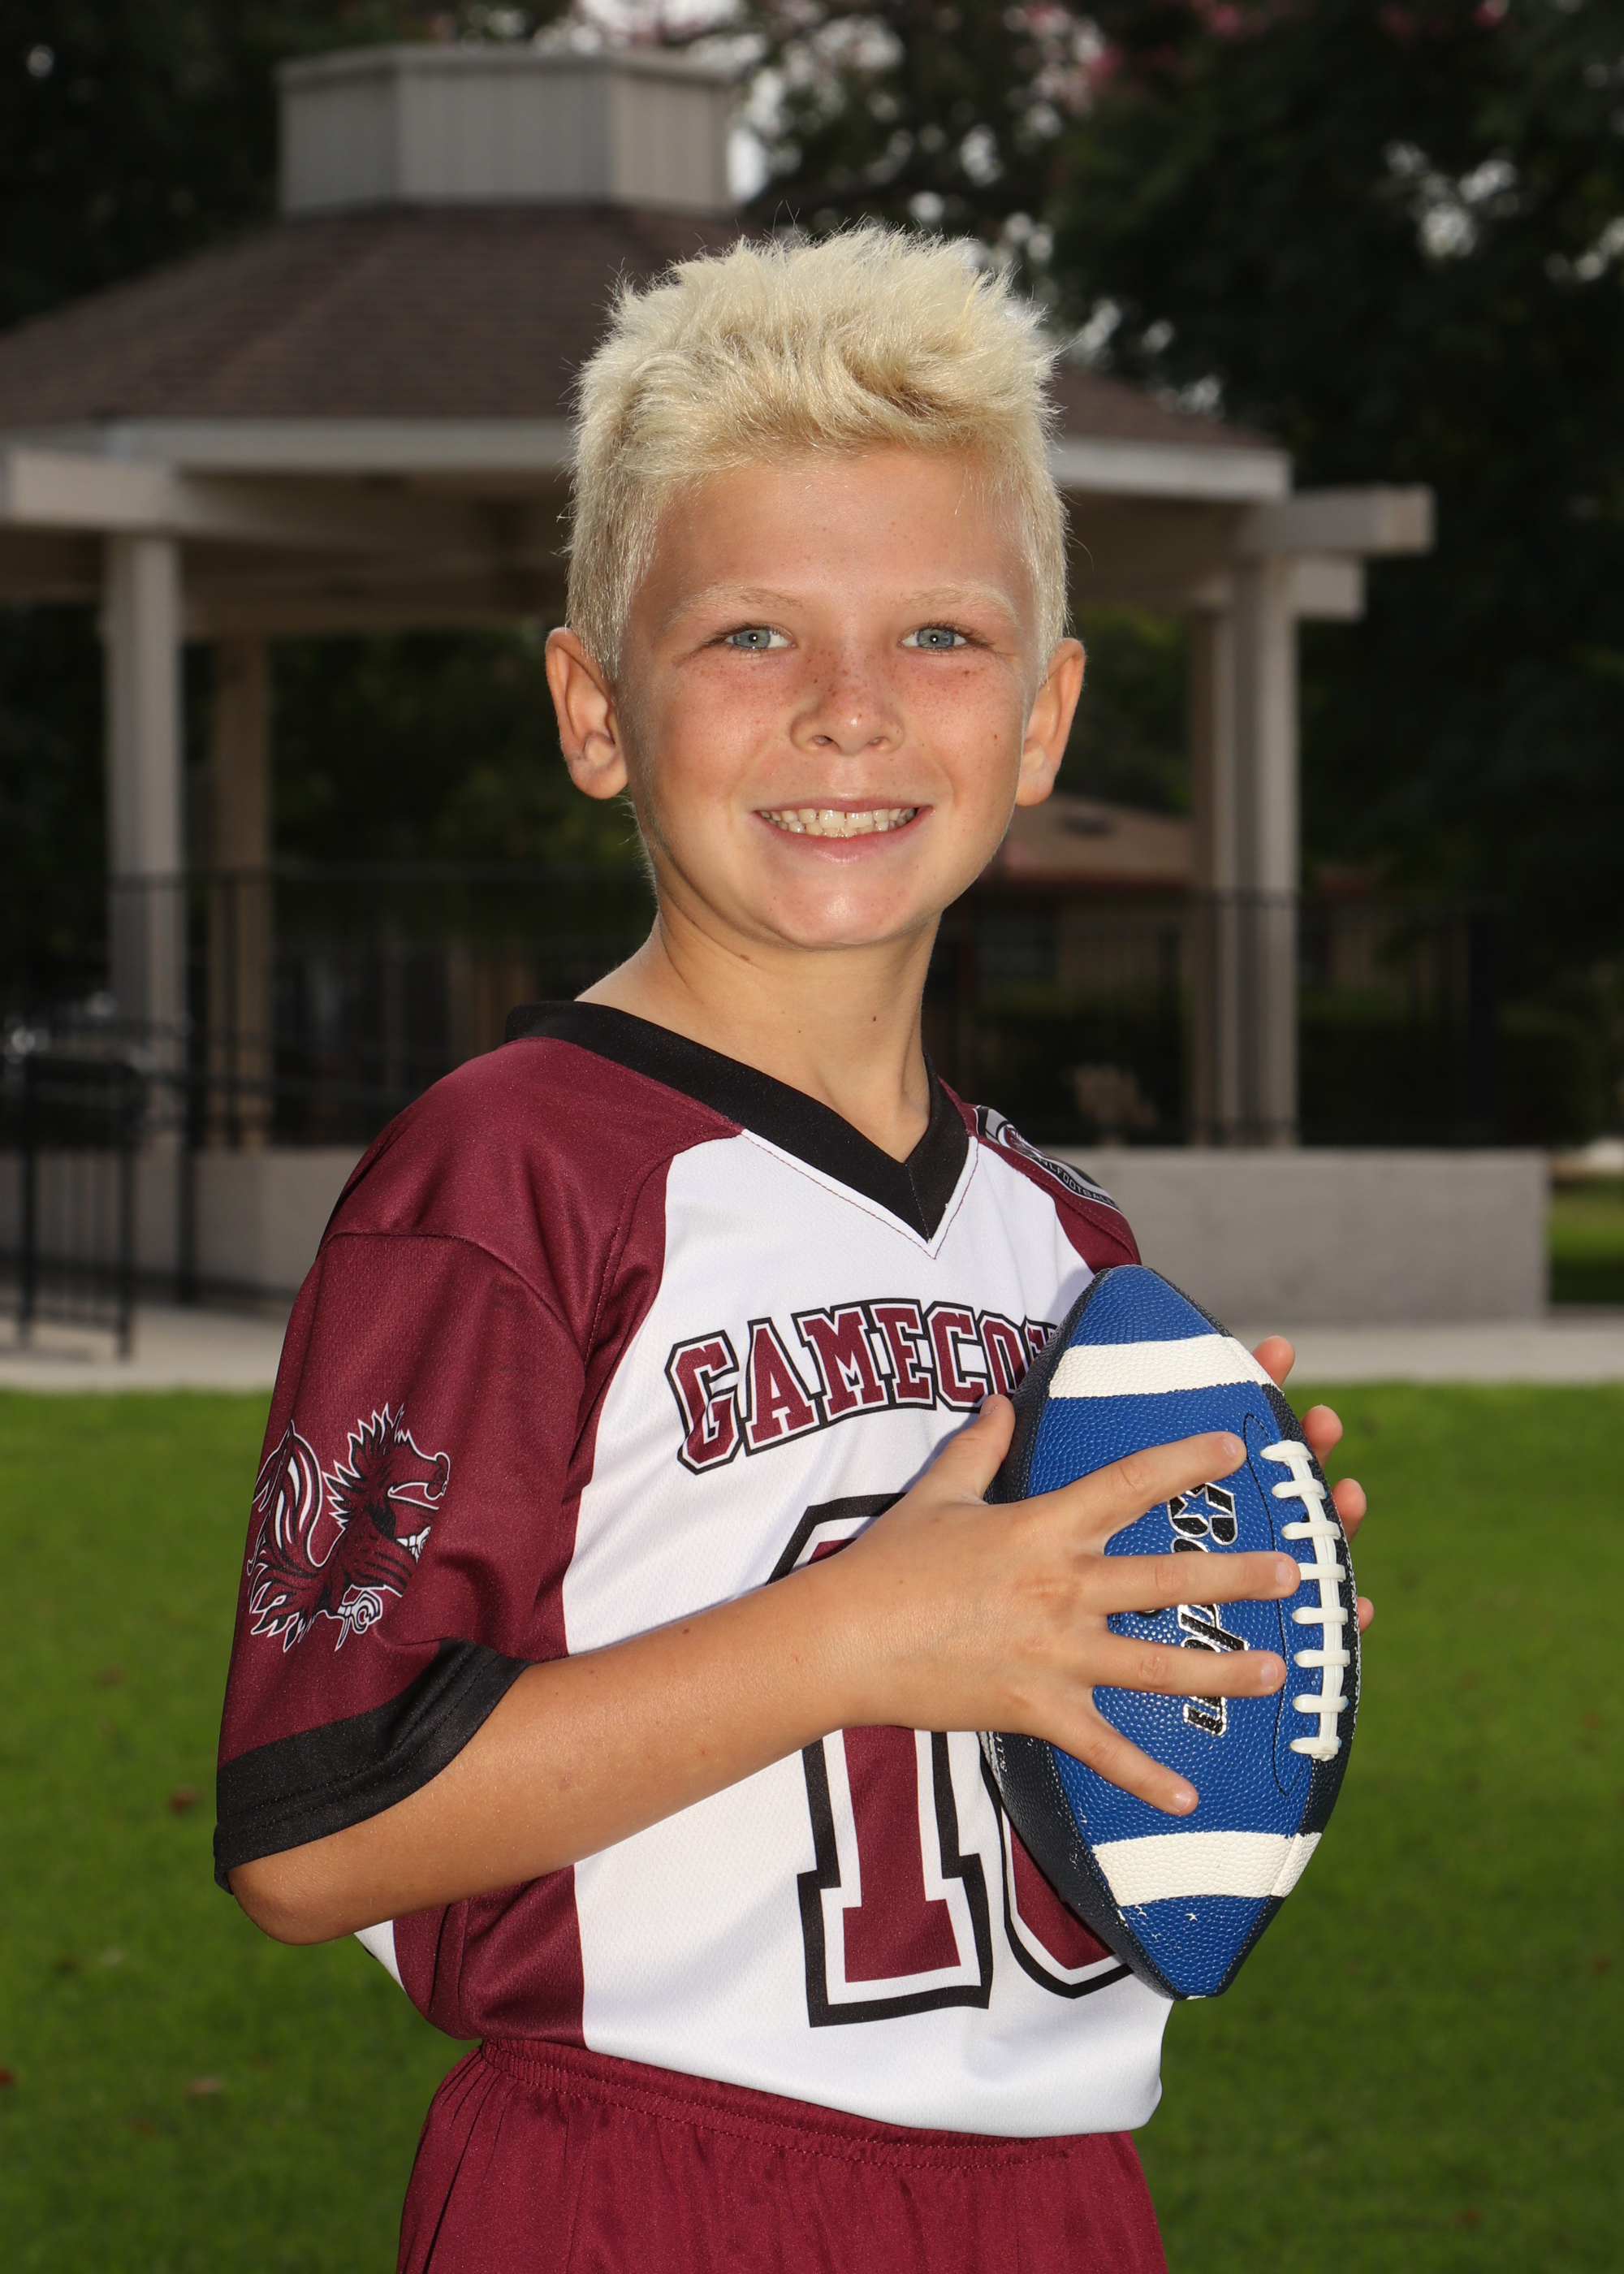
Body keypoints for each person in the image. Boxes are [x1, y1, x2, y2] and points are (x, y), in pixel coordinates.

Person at [216, 227, 1370, 2274]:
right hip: (646, 2180)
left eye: (939, 634)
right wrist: (862, 1633)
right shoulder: (507, 1178)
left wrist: (1212, 1630)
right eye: (750, 634)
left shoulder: (1070, 1247)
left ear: (1043, 716)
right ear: (596, 708)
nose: (850, 712)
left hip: (1057, 2192)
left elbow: (1068, 1773)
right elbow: (315, 1833)